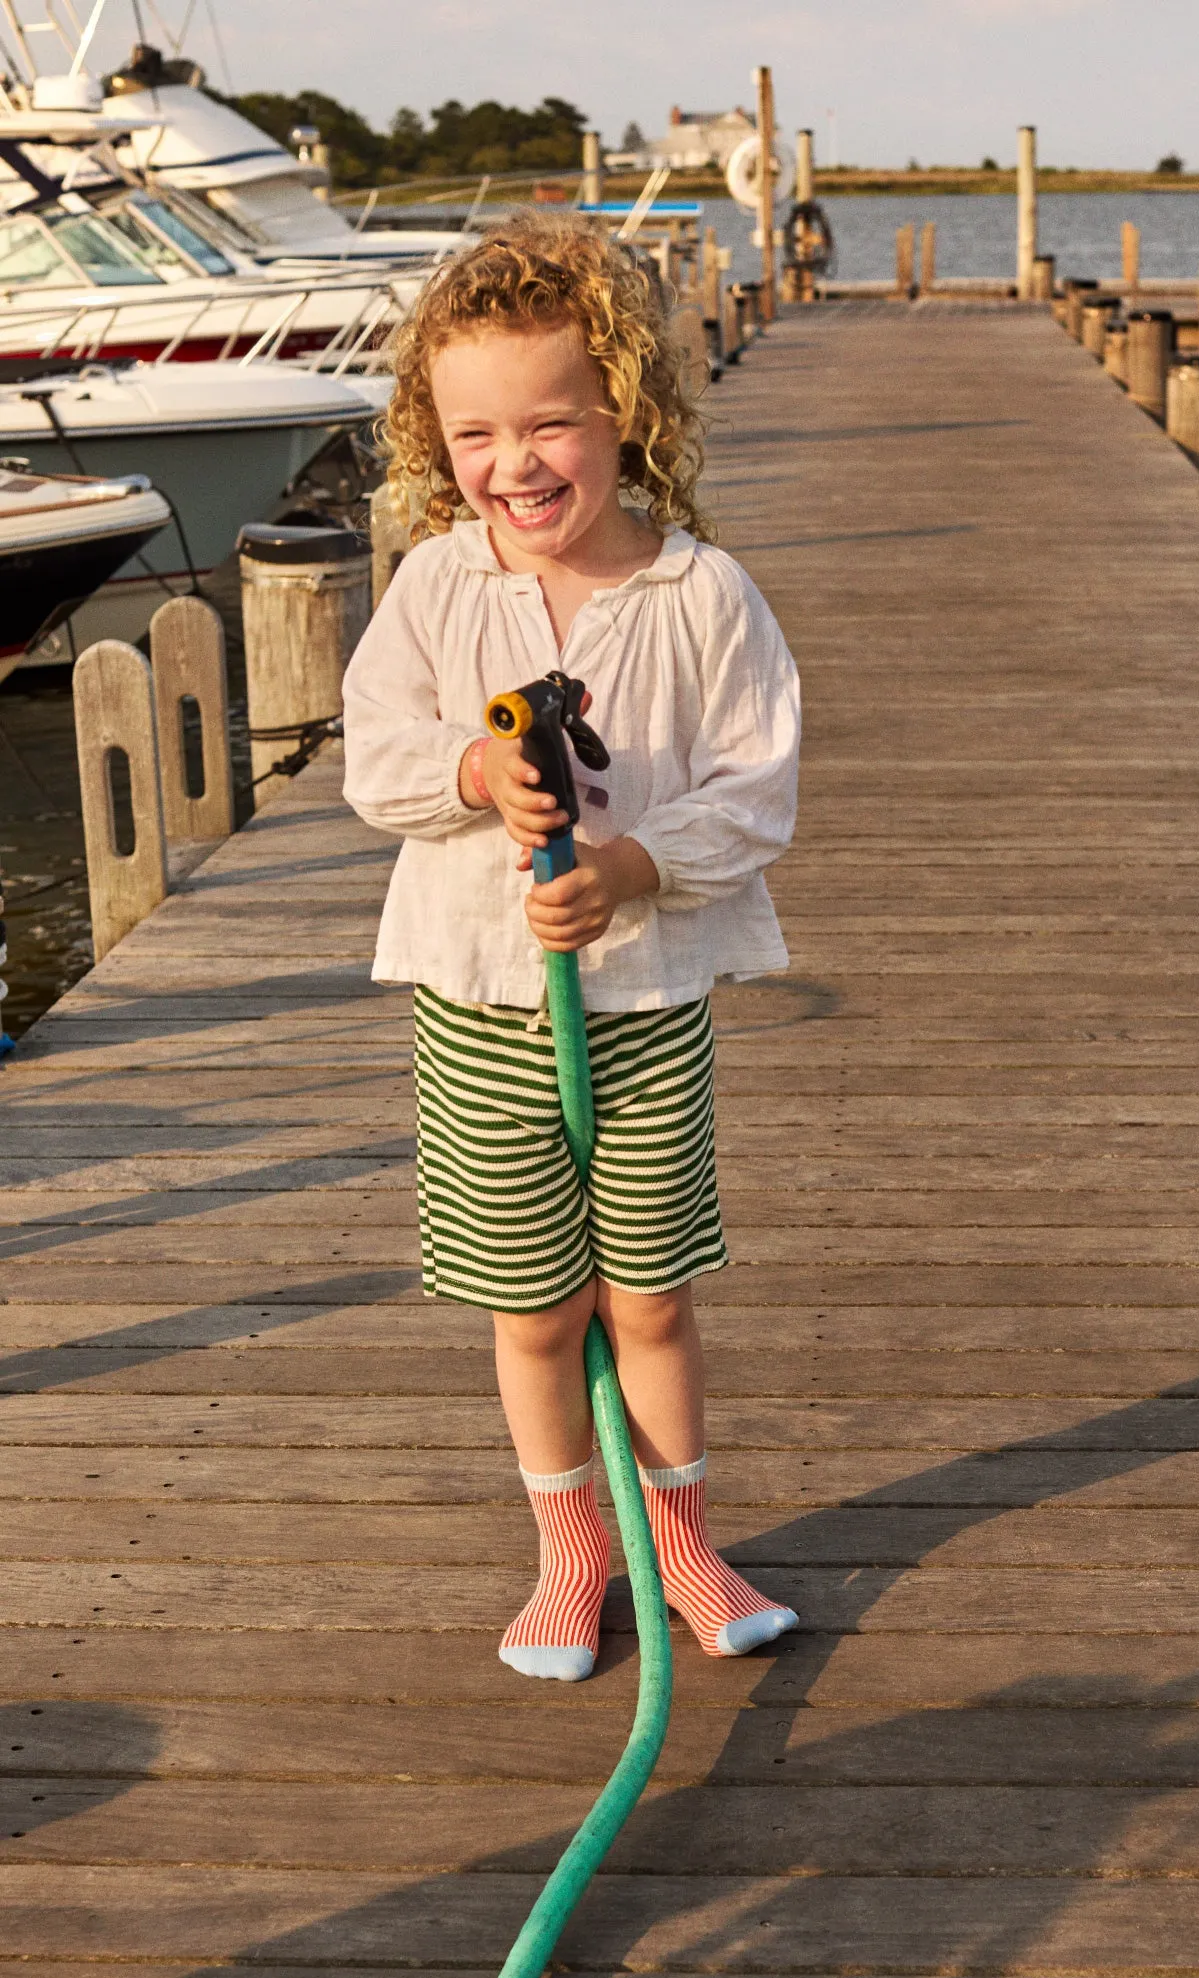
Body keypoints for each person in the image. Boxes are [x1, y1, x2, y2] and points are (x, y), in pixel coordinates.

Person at [341, 212, 801, 1683]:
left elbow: (757, 789)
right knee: (534, 1306)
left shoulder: (701, 594)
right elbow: (374, 758)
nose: (516, 464)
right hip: (480, 1001)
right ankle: (571, 1556)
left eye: (553, 422)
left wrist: (629, 866)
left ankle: (681, 1543)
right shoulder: (435, 588)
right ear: (435, 437)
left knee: (652, 1294)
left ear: (626, 415)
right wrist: (477, 777)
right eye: (476, 433)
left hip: (647, 998)